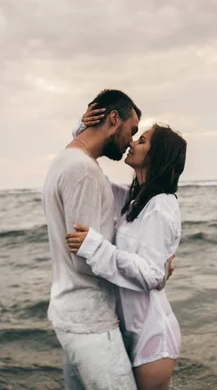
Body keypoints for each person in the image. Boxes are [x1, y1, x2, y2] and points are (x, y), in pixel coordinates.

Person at [66, 106, 187, 390]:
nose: (132, 142)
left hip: (153, 339)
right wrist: (82, 133)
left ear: (157, 156)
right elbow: (93, 180)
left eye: (142, 140)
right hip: (131, 332)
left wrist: (95, 247)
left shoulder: (160, 206)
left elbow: (153, 275)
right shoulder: (135, 200)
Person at [42, 89, 142, 389]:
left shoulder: (68, 160)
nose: (131, 142)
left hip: (73, 313)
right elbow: (84, 258)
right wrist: (145, 269)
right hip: (90, 321)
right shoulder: (82, 171)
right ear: (114, 118)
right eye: (132, 130)